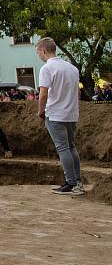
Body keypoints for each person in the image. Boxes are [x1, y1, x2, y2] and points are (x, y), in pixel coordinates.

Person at [36, 37, 83, 195]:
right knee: (71, 147)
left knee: (63, 148)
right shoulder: (71, 68)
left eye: (38, 52)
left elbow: (43, 94)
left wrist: (40, 111)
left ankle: (71, 183)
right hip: (71, 112)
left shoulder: (47, 68)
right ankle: (77, 181)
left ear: (43, 50)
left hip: (55, 113)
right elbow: (77, 91)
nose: (38, 55)